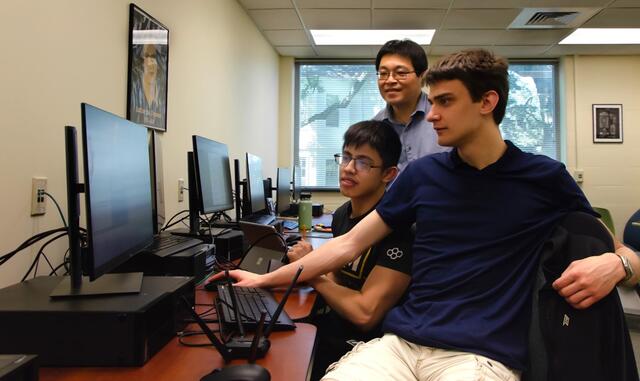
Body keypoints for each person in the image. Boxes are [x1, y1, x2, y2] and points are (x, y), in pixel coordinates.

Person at [212, 49, 640, 380]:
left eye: (446, 102)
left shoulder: (543, 177)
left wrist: (617, 263)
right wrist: (263, 280)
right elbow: (348, 244)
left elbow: (622, 252)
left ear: (487, 101)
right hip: (401, 343)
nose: (431, 114)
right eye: (432, 101)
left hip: (479, 356)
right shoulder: (423, 175)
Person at [287, 120, 413, 380]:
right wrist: (316, 264)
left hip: (375, 344)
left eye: (363, 162)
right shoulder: (343, 214)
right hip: (338, 323)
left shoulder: (399, 229)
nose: (348, 168)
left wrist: (310, 271)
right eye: (346, 157)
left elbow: (366, 315)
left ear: (389, 174)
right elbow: (339, 277)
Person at [372, 39, 449, 171]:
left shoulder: (445, 117)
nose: (390, 80)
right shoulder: (374, 128)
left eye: (401, 73)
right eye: (383, 74)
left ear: (422, 76)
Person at [130, 43, 166, 129]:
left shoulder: (160, 97)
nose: (151, 63)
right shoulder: (135, 92)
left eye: (154, 57)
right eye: (146, 56)